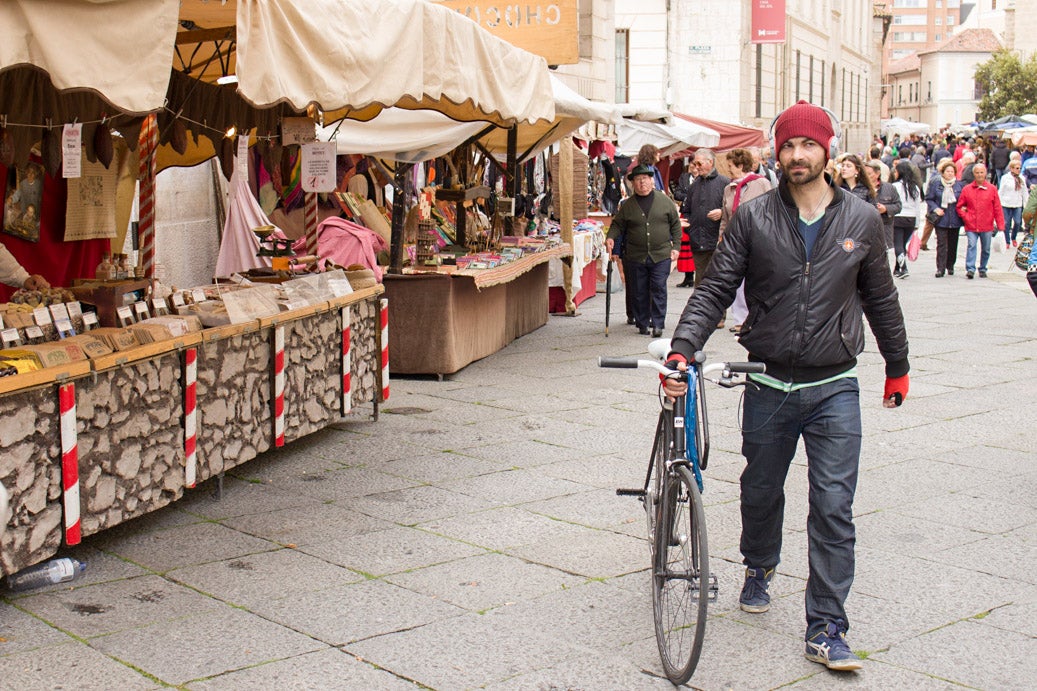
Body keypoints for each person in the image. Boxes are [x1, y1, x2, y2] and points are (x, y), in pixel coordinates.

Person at [663, 101, 910, 673]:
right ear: (778, 151)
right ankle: (759, 562)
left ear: (827, 150)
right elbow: (714, 288)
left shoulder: (861, 220)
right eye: (788, 145)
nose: (797, 156)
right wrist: (684, 347)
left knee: (833, 505)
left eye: (808, 146)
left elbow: (881, 299)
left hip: (835, 385)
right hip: (769, 381)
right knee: (761, 490)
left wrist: (897, 366)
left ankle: (826, 626)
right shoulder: (753, 217)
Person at [606, 164, 681, 337]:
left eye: (645, 179)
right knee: (638, 290)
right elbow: (618, 225)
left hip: (661, 254)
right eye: (638, 180)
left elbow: (675, 225)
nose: (642, 183)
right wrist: (610, 237)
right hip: (635, 255)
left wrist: (676, 246)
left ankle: (658, 323)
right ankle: (642, 322)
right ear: (633, 184)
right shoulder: (628, 205)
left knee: (658, 288)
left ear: (651, 181)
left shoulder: (664, 201)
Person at [719, 148, 772, 334]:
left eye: (731, 166)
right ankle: (741, 319)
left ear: (741, 165)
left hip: (758, 238)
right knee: (737, 281)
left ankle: (757, 316)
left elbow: (772, 211)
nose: (728, 169)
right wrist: (722, 236)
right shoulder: (728, 188)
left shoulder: (761, 184)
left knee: (757, 279)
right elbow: (726, 216)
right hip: (735, 239)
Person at [679, 149, 729, 296]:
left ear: (710, 162)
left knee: (718, 282)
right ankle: (702, 317)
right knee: (700, 284)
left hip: (717, 242)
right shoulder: (694, 185)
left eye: (699, 163)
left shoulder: (725, 183)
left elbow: (735, 208)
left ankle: (719, 318)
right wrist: (689, 225)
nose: (696, 167)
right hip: (698, 242)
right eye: (694, 164)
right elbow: (686, 209)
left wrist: (722, 212)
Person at [955, 163, 1003, 279]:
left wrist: (1001, 226)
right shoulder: (967, 189)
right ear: (973, 174)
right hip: (971, 224)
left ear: (985, 173)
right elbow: (959, 207)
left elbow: (997, 208)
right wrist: (966, 216)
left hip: (986, 224)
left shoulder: (992, 189)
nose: (980, 175)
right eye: (977, 172)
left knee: (986, 248)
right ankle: (970, 268)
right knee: (971, 245)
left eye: (982, 172)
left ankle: (983, 268)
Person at [925, 158, 965, 277]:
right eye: (947, 171)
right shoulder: (936, 184)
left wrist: (963, 208)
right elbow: (929, 198)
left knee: (953, 244)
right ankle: (940, 268)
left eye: (952, 172)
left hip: (955, 218)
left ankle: (950, 265)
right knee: (941, 244)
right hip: (941, 219)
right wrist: (935, 208)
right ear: (942, 172)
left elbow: (963, 200)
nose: (950, 174)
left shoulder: (959, 185)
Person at [891, 160, 926, 278]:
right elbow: (917, 206)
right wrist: (917, 223)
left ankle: (903, 267)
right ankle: (897, 267)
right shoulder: (915, 187)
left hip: (898, 217)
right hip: (910, 218)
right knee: (902, 243)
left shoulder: (895, 186)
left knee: (898, 244)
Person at [863, 160, 901, 253]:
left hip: (884, 229)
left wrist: (886, 209)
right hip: (865, 230)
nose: (867, 176)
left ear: (877, 173)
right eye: (865, 174)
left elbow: (898, 206)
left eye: (869, 174)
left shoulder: (889, 188)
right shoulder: (861, 188)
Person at [998, 159, 1028, 248]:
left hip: (1017, 203)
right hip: (1006, 203)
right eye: (1017, 168)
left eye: (1020, 168)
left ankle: (1013, 237)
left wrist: (1025, 204)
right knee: (1006, 223)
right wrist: (998, 203)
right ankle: (1007, 241)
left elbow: (1024, 192)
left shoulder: (1021, 178)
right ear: (1011, 168)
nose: (1018, 170)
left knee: (1018, 222)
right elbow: (1001, 190)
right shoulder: (1005, 178)